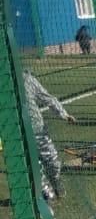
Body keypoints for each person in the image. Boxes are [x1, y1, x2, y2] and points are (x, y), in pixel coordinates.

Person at [23, 70, 75, 200]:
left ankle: (55, 180)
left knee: (53, 162)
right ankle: (46, 194)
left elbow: (47, 98)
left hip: (38, 130)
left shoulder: (26, 79)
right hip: (19, 135)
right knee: (34, 165)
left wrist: (63, 114)